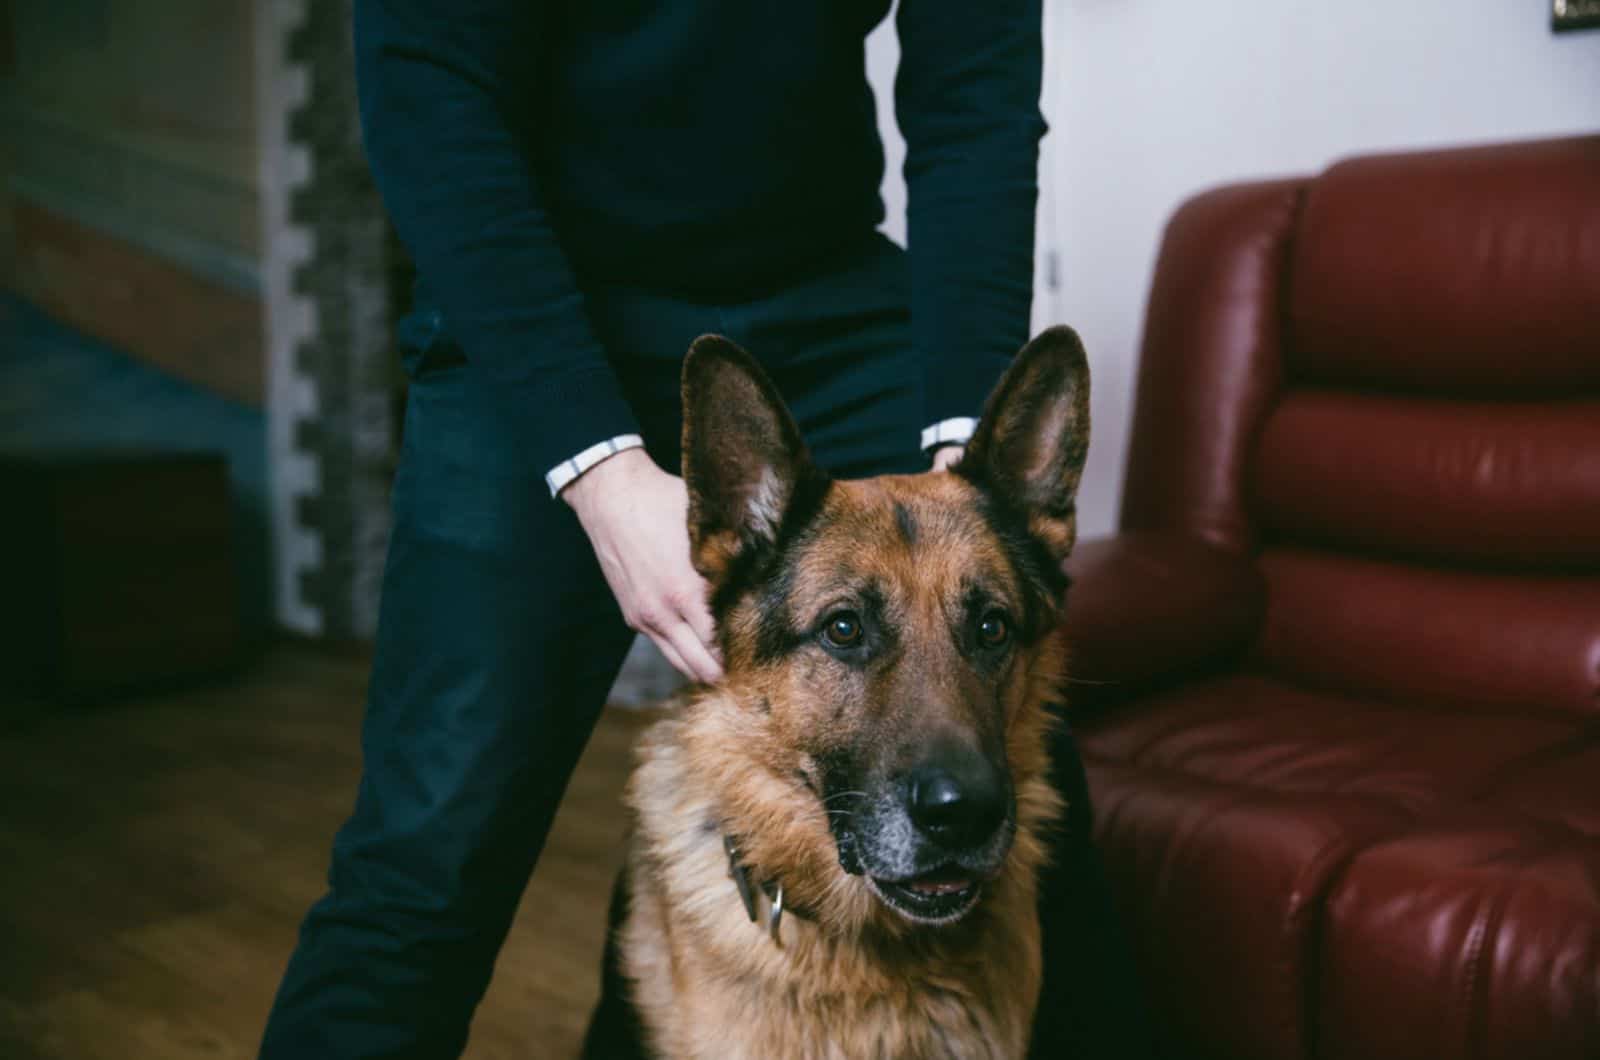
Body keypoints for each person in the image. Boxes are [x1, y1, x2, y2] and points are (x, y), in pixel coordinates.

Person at [260, 2, 1159, 1057]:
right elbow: (426, 91)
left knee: (1037, 807)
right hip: (536, 308)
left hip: (824, 290)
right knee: (427, 857)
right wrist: (596, 466)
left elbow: (974, 98)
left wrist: (970, 453)